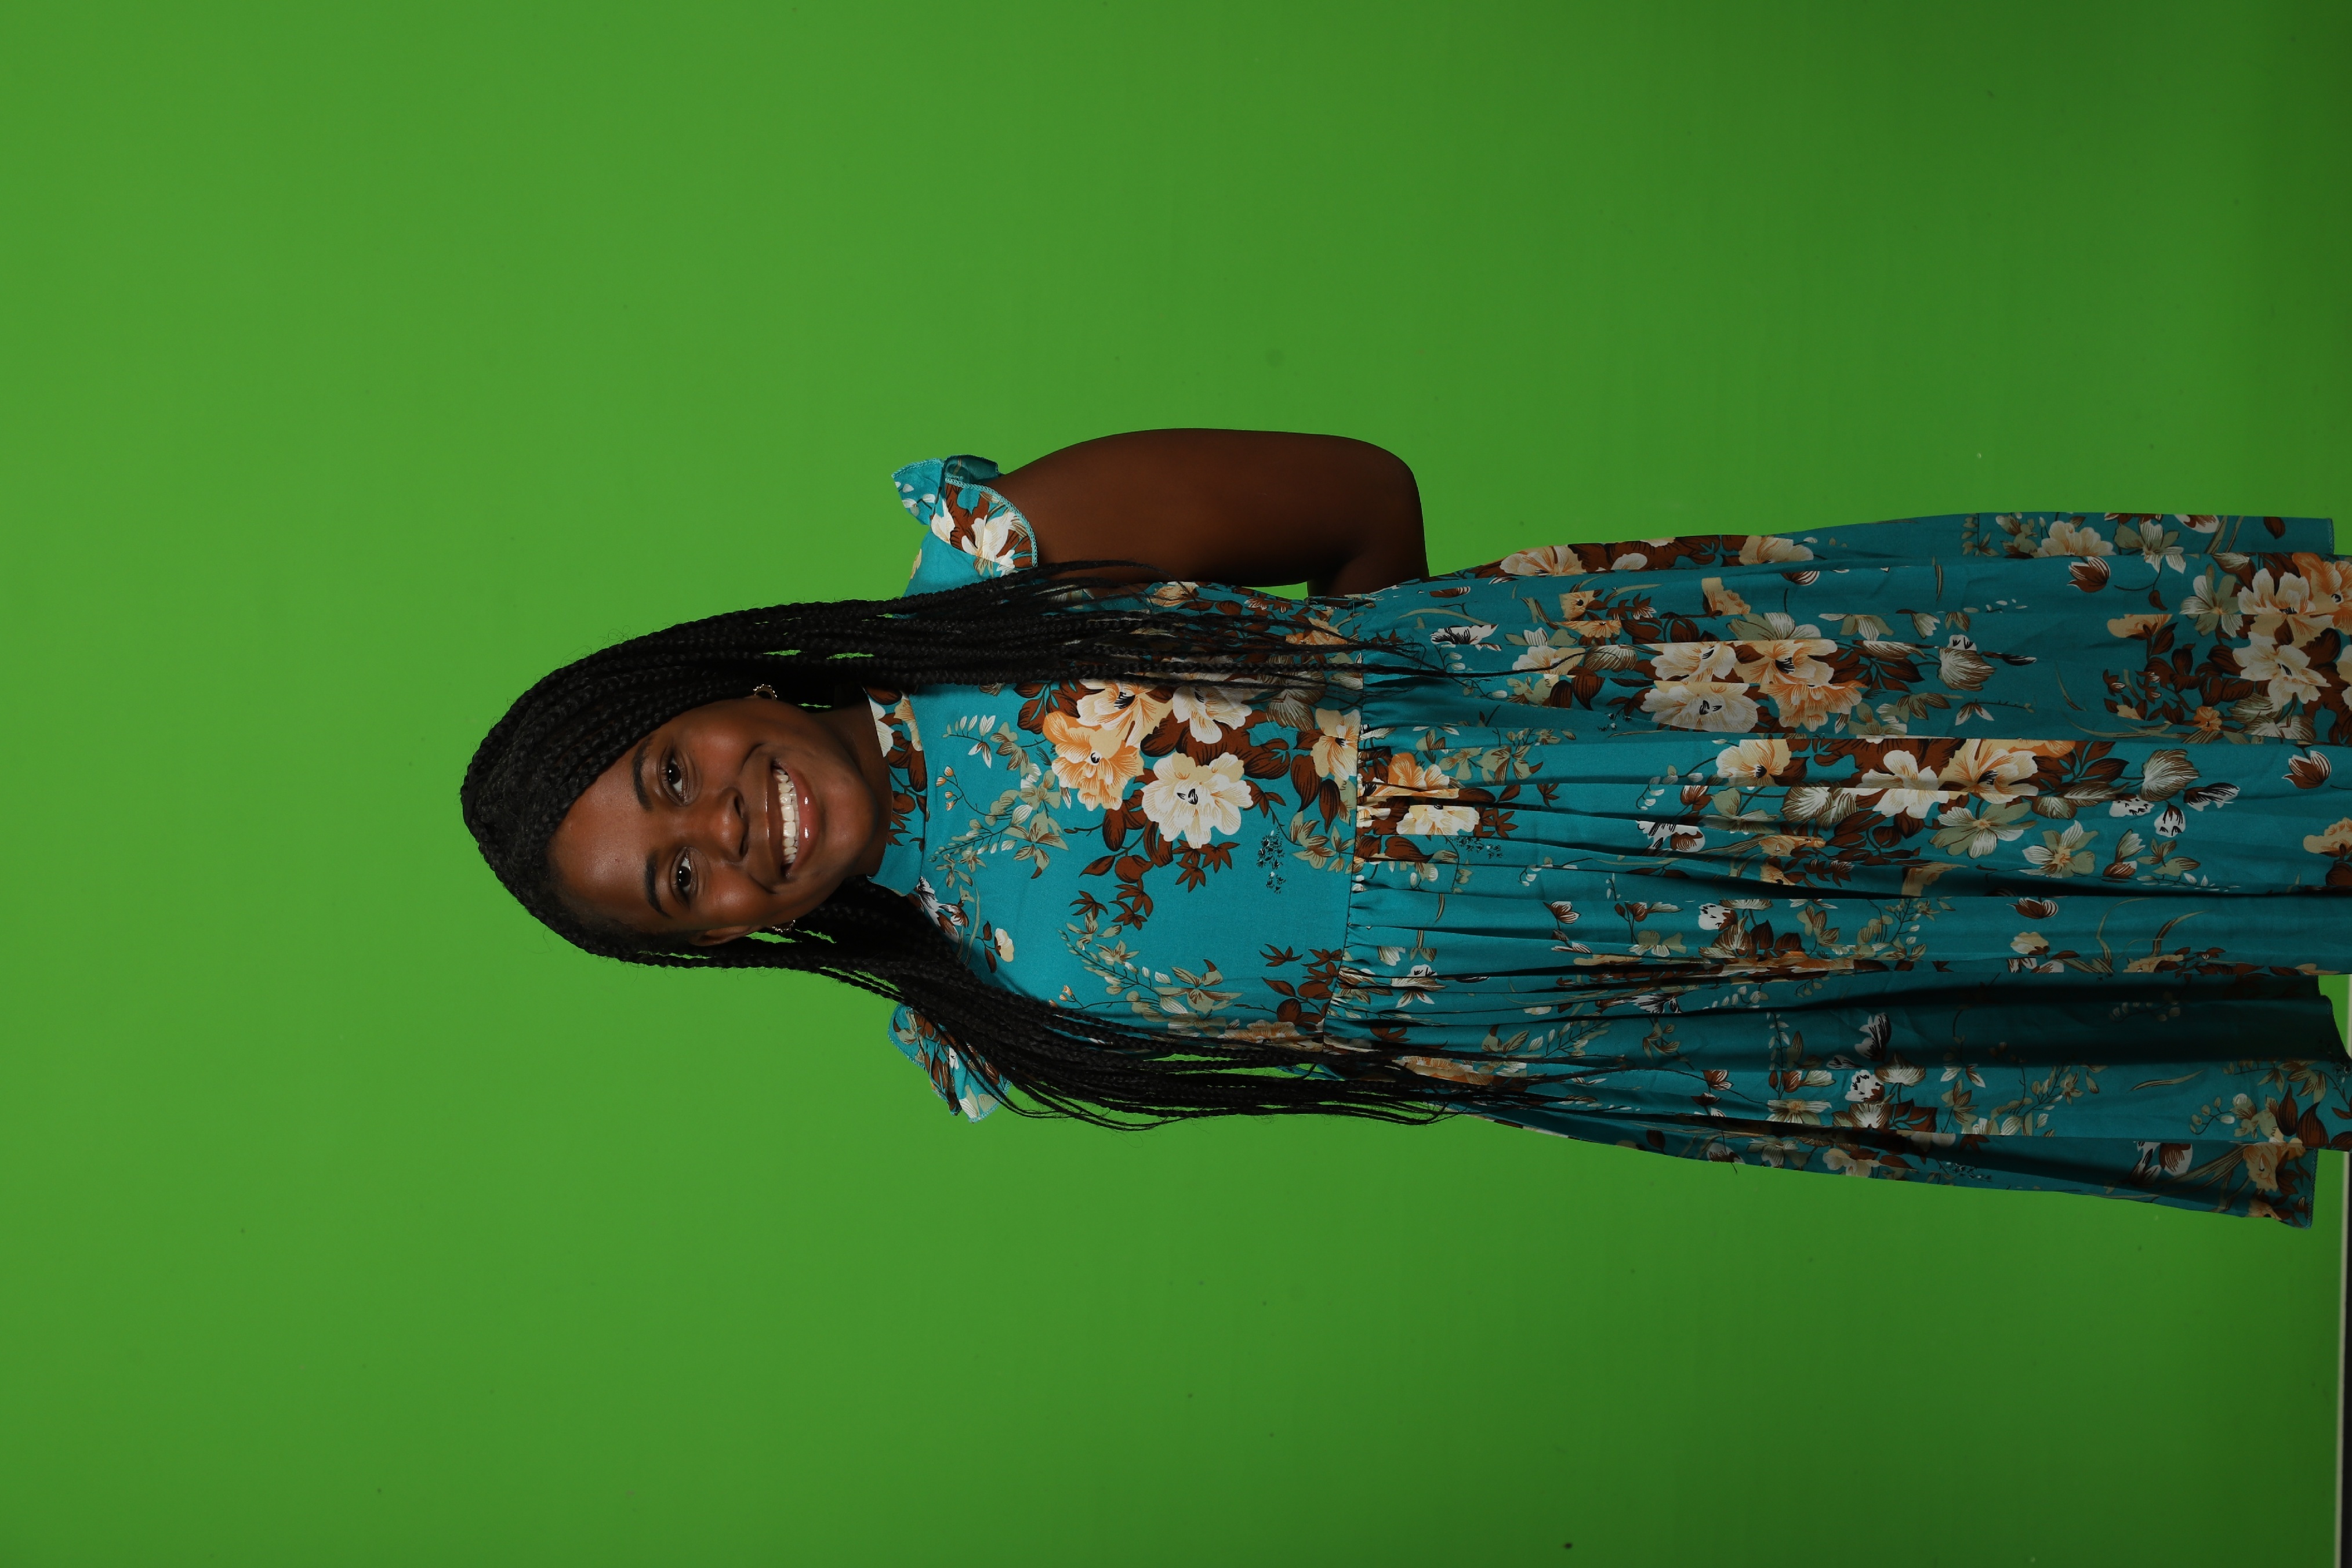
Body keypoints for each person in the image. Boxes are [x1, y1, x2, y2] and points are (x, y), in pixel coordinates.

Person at [462, 429, 2352, 1223]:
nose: (727, 831)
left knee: (2093, 773)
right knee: (2054, 952)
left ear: (703, 685)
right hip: (1658, 1008)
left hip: (1641, 745)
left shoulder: (1015, 567)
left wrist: (1434, 735)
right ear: (724, 941)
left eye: (671, 775)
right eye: (680, 886)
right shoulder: (985, 1022)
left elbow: (1359, 497)